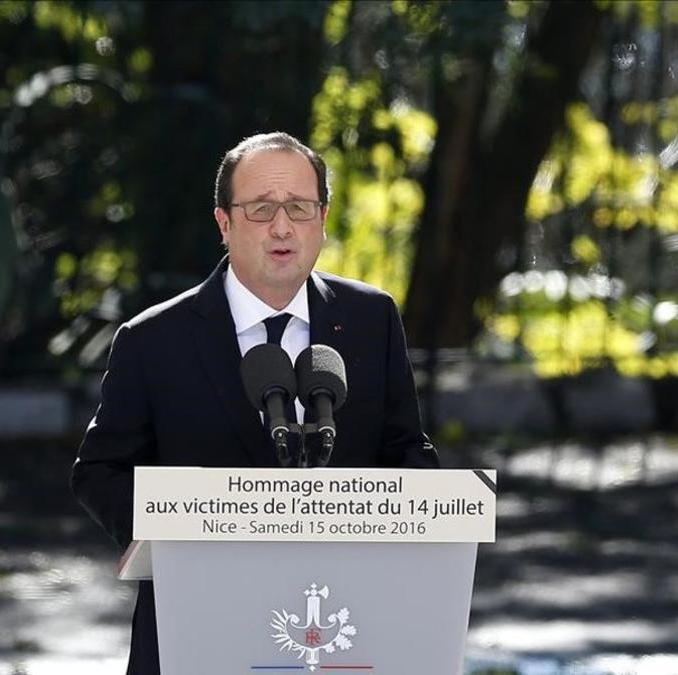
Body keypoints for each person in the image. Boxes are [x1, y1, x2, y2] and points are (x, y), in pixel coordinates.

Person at [70, 132, 439, 674]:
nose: (283, 227)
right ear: (224, 222)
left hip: (342, 628)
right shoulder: (154, 340)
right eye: (262, 209)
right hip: (195, 626)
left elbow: (405, 449)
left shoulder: (371, 319)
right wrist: (188, 529)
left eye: (299, 208)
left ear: (323, 216)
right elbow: (99, 472)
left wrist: (421, 513)